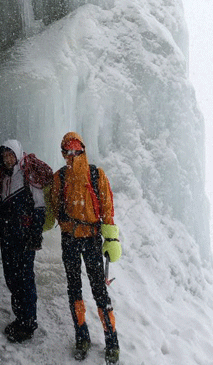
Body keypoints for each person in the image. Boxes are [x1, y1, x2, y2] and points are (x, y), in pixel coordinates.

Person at [51, 132, 122, 363]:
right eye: (68, 151)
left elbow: (107, 207)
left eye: (76, 151)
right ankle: (82, 336)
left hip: (91, 238)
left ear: (82, 150)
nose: (72, 155)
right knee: (74, 289)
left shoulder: (96, 175)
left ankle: (111, 340)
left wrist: (111, 239)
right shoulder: (59, 178)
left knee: (99, 290)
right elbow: (53, 206)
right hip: (69, 238)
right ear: (64, 153)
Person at [0, 139, 53, 343]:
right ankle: (20, 317)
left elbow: (39, 207)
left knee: (25, 278)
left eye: (11, 155)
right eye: (5, 156)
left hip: (24, 236)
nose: (8, 159)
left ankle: (28, 322)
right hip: (8, 235)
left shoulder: (27, 175)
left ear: (17, 154)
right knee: (11, 277)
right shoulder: (2, 179)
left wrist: (35, 233)